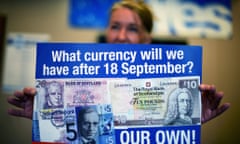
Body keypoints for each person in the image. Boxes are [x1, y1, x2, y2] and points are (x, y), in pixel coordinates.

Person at [7, 0, 230, 124]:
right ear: (107, 31)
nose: (121, 36)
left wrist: (190, 120)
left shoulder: (167, 85)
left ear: (147, 39)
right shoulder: (80, 79)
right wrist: (44, 117)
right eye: (115, 26)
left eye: (132, 29)